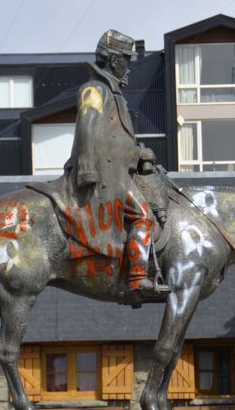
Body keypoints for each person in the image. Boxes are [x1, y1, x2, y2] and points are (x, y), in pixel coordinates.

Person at [64, 29, 169, 299]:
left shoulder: (110, 91)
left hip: (114, 169)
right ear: (113, 60)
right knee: (143, 216)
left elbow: (113, 139)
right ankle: (137, 279)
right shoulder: (95, 90)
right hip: (105, 174)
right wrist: (89, 171)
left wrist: (137, 155)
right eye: (126, 59)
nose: (129, 66)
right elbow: (90, 130)